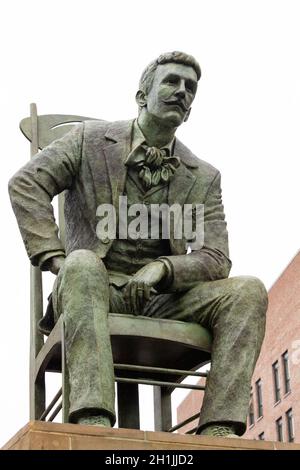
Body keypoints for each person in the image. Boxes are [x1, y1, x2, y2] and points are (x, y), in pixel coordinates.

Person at [8, 51, 268, 437]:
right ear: (142, 96)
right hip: (93, 286)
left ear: (191, 110)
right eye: (171, 81)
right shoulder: (87, 141)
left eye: (190, 87)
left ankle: (219, 430)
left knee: (248, 292)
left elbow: (216, 257)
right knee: (82, 264)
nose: (182, 91)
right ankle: (92, 423)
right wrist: (57, 259)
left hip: (166, 298)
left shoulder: (204, 176)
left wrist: (163, 269)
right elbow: (26, 184)